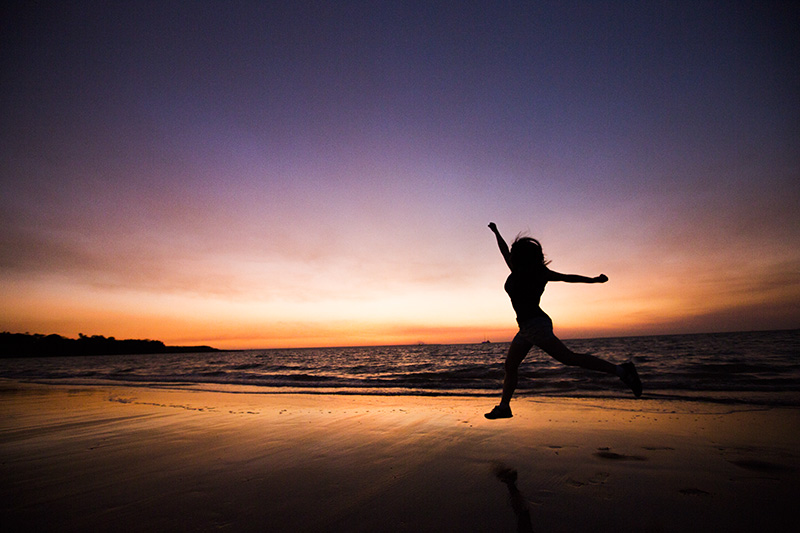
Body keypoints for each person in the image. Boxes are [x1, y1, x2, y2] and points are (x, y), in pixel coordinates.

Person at [485, 222, 642, 420]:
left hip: (536, 325)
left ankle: (622, 371)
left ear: (523, 256)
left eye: (516, 252)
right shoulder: (516, 269)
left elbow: (568, 277)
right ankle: (504, 407)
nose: (511, 255)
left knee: (569, 358)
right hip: (526, 327)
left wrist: (593, 280)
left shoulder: (538, 273)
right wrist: (496, 231)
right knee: (510, 366)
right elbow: (504, 250)